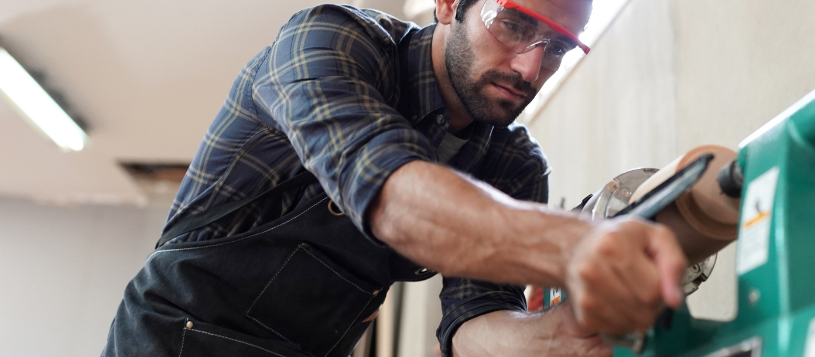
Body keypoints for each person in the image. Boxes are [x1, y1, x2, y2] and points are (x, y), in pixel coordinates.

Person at [103, 0, 687, 356]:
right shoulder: (330, 41)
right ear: (448, 2)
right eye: (513, 24)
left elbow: (470, 327)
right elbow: (393, 194)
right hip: (175, 342)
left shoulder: (514, 165)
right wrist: (578, 244)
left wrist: (563, 342)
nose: (530, 67)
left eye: (557, 48)